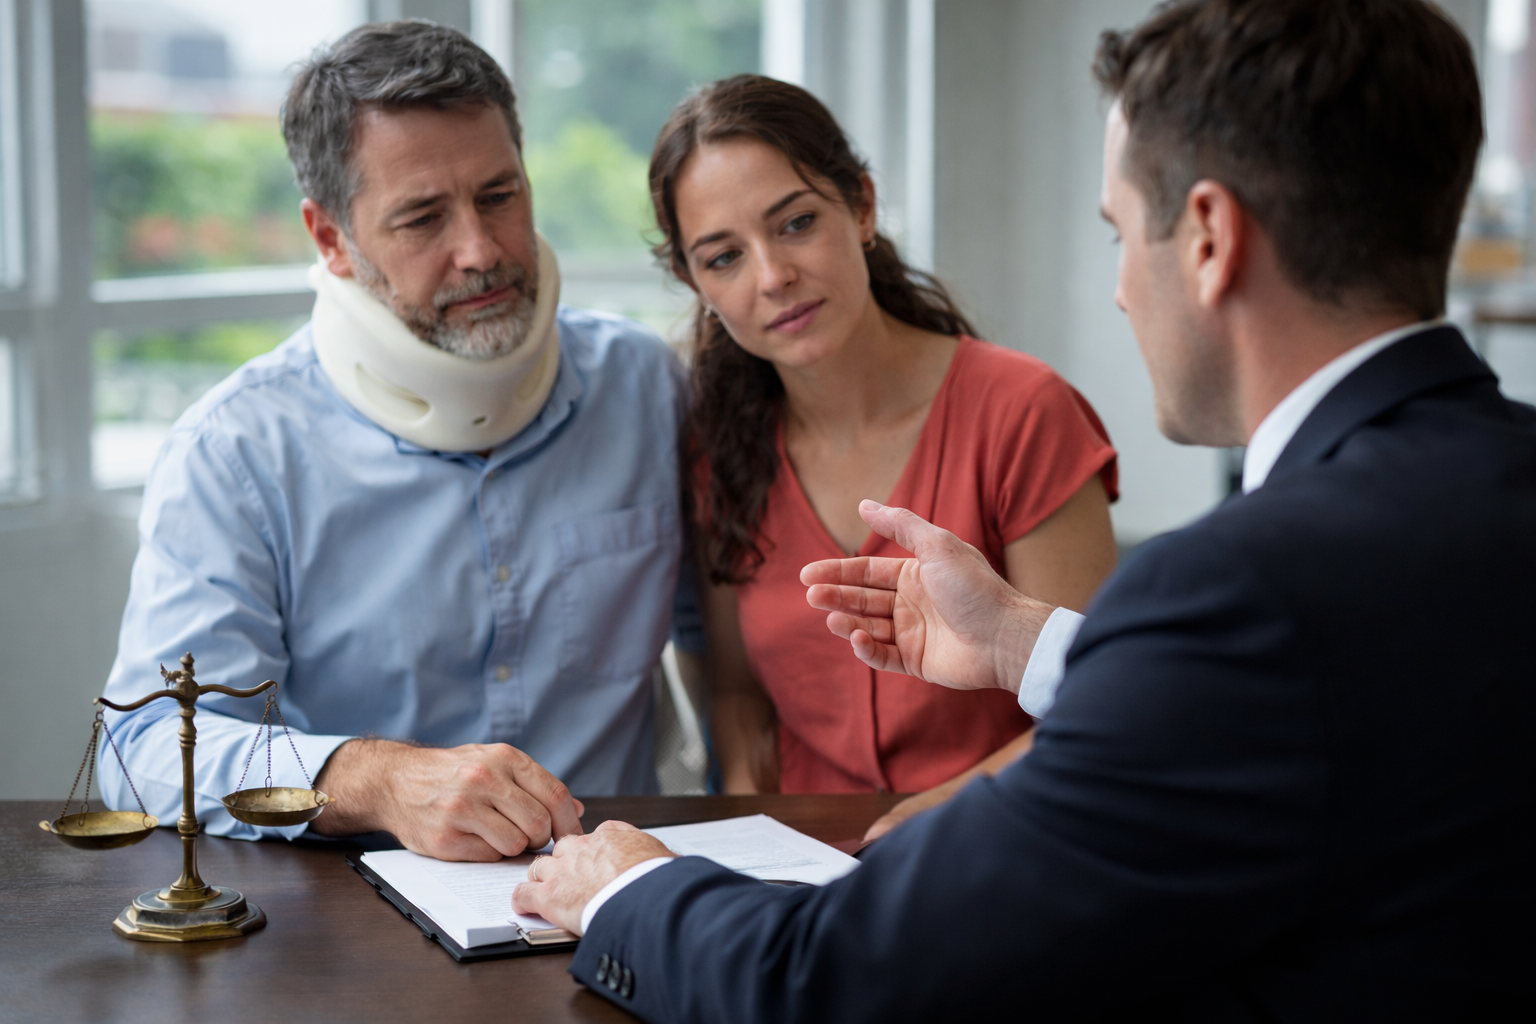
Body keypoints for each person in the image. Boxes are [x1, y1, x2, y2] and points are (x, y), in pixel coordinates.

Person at [512, 1, 1534, 1019]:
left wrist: (625, 887)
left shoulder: (1234, 592)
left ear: (1211, 239)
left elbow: (832, 980)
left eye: (1119, 231)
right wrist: (1028, 643)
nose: (1125, 291)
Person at [97, 21, 702, 861]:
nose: (480, 251)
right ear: (330, 240)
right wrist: (369, 778)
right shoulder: (236, 452)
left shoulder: (643, 385)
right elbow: (145, 750)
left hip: (622, 898)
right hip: (359, 919)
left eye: (500, 196)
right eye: (421, 218)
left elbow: (736, 641)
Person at [652, 76, 1118, 835]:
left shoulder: (1024, 413)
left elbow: (1099, 702)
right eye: (723, 257)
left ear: (862, 207)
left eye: (797, 222)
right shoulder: (716, 452)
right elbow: (738, 693)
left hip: (1004, 846)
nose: (773, 277)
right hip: (798, 877)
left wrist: (929, 823)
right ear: (692, 280)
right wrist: (751, 827)